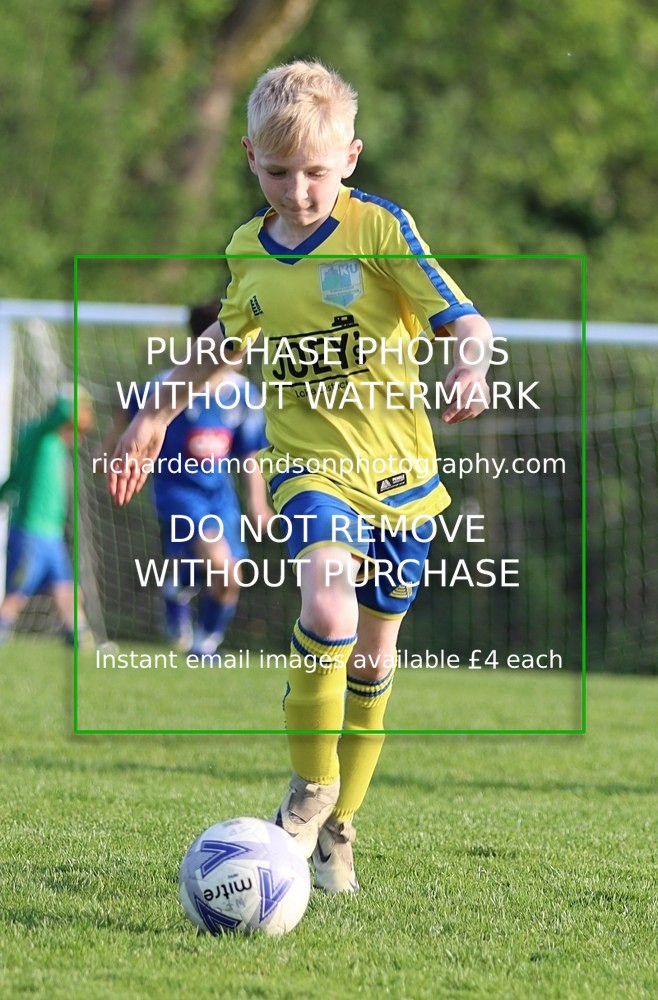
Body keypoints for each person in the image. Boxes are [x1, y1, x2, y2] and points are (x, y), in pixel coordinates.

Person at [109, 61, 494, 893]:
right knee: (326, 604)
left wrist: (469, 365)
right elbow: (226, 345)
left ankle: (339, 827)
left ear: (349, 158)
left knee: (372, 663)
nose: (298, 190)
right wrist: (155, 412)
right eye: (278, 172)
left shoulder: (381, 229)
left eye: (316, 172)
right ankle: (310, 789)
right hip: (307, 470)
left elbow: (466, 319)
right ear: (250, 157)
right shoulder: (249, 248)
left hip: (403, 478)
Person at [105, 302, 272, 656]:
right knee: (222, 567)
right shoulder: (167, 384)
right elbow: (128, 418)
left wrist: (258, 503)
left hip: (219, 496)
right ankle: (192, 625)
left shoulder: (244, 394)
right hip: (178, 491)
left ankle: (203, 640)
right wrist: (109, 459)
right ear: (208, 341)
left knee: (230, 580)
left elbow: (249, 453)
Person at [0, 385, 94, 646]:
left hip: (51, 534)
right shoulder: (41, 436)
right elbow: (64, 410)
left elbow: (14, 479)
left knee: (67, 589)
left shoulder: (52, 446)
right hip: (31, 530)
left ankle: (77, 636)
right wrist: (74, 394)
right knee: (18, 593)